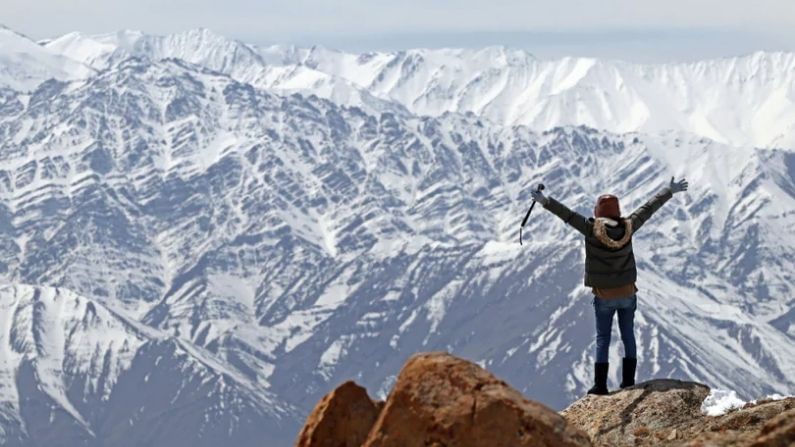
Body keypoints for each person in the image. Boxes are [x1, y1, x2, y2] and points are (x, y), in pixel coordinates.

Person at [531, 177, 688, 395]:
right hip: (627, 293)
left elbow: (566, 215)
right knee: (628, 335)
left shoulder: (590, 229)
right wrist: (668, 191)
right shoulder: (629, 226)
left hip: (604, 296)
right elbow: (648, 209)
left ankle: (600, 385)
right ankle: (628, 382)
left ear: (598, 212)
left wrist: (544, 201)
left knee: (603, 338)